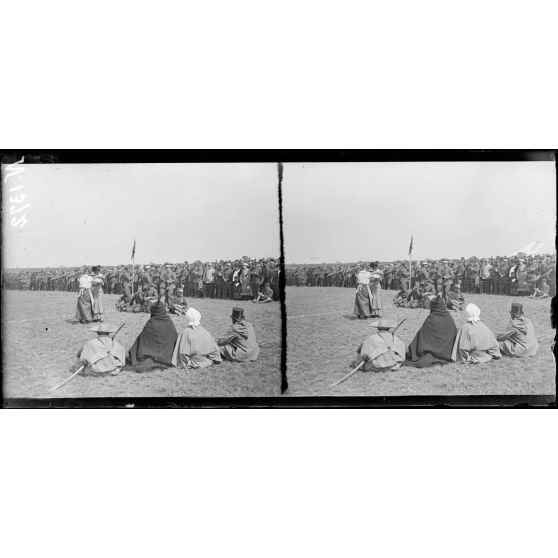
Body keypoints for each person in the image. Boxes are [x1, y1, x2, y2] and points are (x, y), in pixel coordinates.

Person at [405, 295, 458, 368]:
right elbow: (454, 335)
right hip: (447, 353)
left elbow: (421, 337)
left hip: (438, 352)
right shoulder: (449, 318)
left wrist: (413, 349)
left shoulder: (431, 318)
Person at [126, 301, 178, 372]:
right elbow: (175, 340)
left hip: (154, 355)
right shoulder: (169, 322)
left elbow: (142, 340)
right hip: (168, 357)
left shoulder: (151, 323)